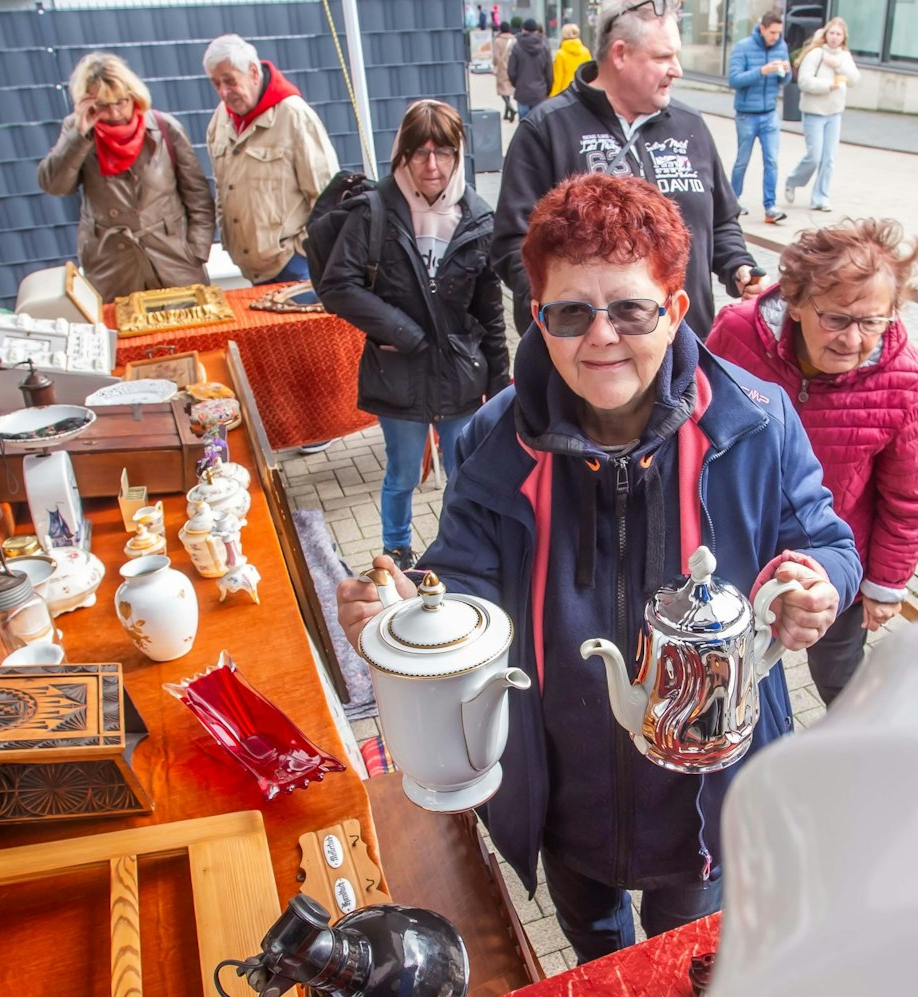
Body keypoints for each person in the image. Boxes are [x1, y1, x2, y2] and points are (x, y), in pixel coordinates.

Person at [338, 174, 859, 962]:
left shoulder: (752, 420)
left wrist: (819, 582)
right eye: (570, 313)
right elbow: (462, 583)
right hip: (559, 785)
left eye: (631, 309)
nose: (602, 336)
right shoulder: (495, 439)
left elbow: (829, 542)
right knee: (597, 954)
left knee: (682, 963)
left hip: (707, 793)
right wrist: (410, 611)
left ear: (675, 309)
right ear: (537, 316)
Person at [707, 219, 918, 705]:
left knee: (842, 679)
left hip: (833, 558)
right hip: (740, 544)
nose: (852, 339)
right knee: (724, 674)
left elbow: (909, 496)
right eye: (836, 318)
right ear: (795, 303)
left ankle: (857, 746)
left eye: (872, 322)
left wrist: (886, 582)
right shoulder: (737, 332)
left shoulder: (910, 380)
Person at [496, 0, 765, 341]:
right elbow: (512, 242)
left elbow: (721, 221)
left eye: (676, 56)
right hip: (592, 352)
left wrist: (739, 266)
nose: (677, 69)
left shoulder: (690, 125)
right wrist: (561, 313)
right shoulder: (546, 129)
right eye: (663, 57)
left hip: (683, 346)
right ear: (620, 54)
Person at [316, 101, 508, 570]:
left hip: (460, 375)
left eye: (443, 152)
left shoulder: (478, 218)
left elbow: (489, 311)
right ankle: (397, 551)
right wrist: (402, 331)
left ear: (458, 154)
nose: (432, 165)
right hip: (398, 373)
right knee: (402, 473)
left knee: (464, 472)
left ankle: (458, 550)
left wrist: (500, 385)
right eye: (420, 152)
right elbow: (338, 285)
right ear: (402, 154)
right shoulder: (375, 211)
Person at [36, 53, 214, 302]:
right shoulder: (77, 132)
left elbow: (197, 195)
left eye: (121, 101)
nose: (115, 112)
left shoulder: (164, 128)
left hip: (174, 259)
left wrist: (196, 250)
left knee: (191, 325)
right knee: (124, 326)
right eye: (103, 106)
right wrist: (79, 135)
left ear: (134, 95)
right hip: (113, 267)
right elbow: (55, 185)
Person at [203, 33, 339, 285]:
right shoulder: (220, 119)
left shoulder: (294, 116)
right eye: (216, 83)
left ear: (253, 72)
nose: (223, 92)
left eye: (230, 80)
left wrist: (300, 252)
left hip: (296, 268)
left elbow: (328, 197)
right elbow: (222, 188)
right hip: (250, 268)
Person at [782, 16, 858, 212]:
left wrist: (838, 65)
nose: (834, 37)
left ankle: (821, 198)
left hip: (834, 113)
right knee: (814, 156)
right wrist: (828, 85)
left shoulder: (844, 56)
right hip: (814, 112)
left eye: (838, 34)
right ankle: (793, 180)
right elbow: (804, 81)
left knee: (829, 158)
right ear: (826, 34)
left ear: (844, 37)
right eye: (831, 33)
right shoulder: (816, 54)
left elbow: (854, 78)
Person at [727, 9, 792, 222]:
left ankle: (770, 208)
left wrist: (786, 72)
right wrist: (762, 71)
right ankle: (732, 203)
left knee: (772, 161)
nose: (776, 37)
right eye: (772, 32)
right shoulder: (743, 47)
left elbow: (784, 81)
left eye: (779, 33)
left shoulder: (781, 46)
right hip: (747, 114)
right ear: (762, 28)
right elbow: (734, 80)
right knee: (742, 160)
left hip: (770, 114)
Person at [508, 19, 553, 119]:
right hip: (540, 93)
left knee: (524, 124)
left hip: (523, 93)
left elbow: (511, 72)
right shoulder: (544, 47)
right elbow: (549, 72)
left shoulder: (517, 47)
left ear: (523, 29)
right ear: (536, 30)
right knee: (539, 123)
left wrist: (517, 84)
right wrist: (547, 90)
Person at [551, 22, 592, 95]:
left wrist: (553, 96)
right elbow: (589, 75)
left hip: (566, 94)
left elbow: (558, 79)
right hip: (582, 92)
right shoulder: (585, 51)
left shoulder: (560, 54)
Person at [493, 20, 518, 122]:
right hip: (513, 68)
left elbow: (496, 56)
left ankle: (510, 107)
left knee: (503, 90)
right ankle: (506, 113)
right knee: (508, 90)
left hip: (502, 68)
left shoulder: (497, 41)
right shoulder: (514, 40)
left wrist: (495, 65)